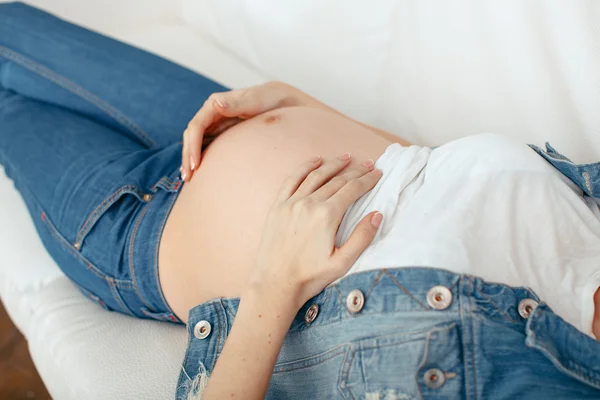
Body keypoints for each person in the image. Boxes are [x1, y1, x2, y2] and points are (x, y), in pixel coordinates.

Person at [1, 3, 599, 399]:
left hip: (137, 228)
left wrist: (275, 285)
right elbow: (431, 175)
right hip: (210, 123)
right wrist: (303, 106)